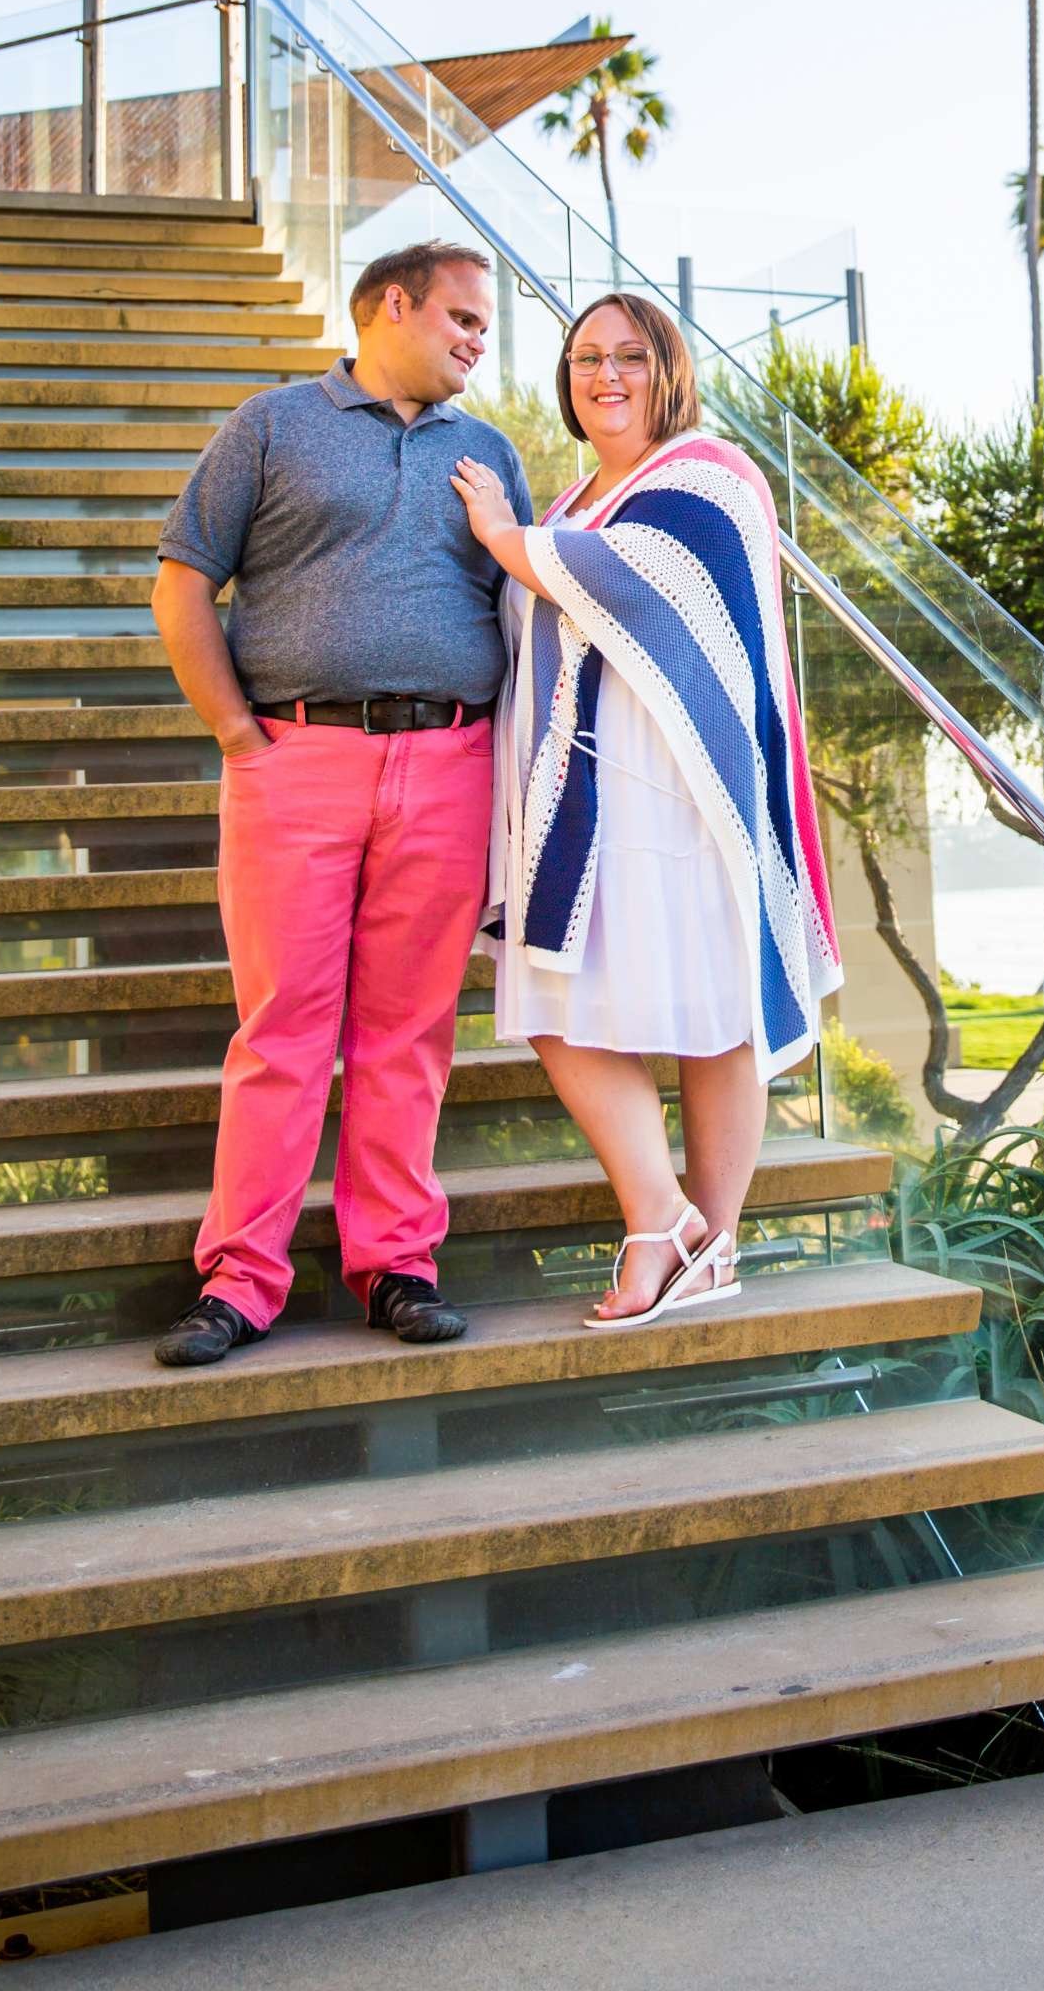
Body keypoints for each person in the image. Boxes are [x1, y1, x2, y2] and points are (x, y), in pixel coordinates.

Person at [151, 241, 532, 1365]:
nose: (477, 340)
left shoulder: (492, 450)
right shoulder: (271, 426)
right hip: (297, 760)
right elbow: (181, 582)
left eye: (485, 327)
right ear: (394, 306)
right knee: (283, 1031)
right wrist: (236, 735)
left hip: (452, 765)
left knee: (408, 1034)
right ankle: (240, 1281)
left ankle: (396, 1265)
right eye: (462, 318)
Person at [451, 292, 842, 1328]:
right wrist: (525, 537)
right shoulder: (582, 495)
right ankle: (661, 1215)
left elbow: (621, 580)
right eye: (585, 357)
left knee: (717, 1017)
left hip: (679, 793)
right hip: (581, 792)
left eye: (630, 355)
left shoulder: (709, 477)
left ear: (668, 369)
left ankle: (706, 1244)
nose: (605, 374)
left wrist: (500, 530)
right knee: (550, 997)